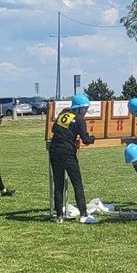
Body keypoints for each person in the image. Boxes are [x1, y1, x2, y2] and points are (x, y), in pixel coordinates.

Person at [49, 92, 97, 224]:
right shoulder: (79, 119)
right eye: (85, 109)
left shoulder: (63, 115)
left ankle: (59, 216)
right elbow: (86, 139)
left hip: (54, 151)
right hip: (68, 153)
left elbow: (54, 130)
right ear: (79, 108)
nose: (86, 111)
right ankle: (83, 214)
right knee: (77, 183)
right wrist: (93, 138)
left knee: (58, 184)